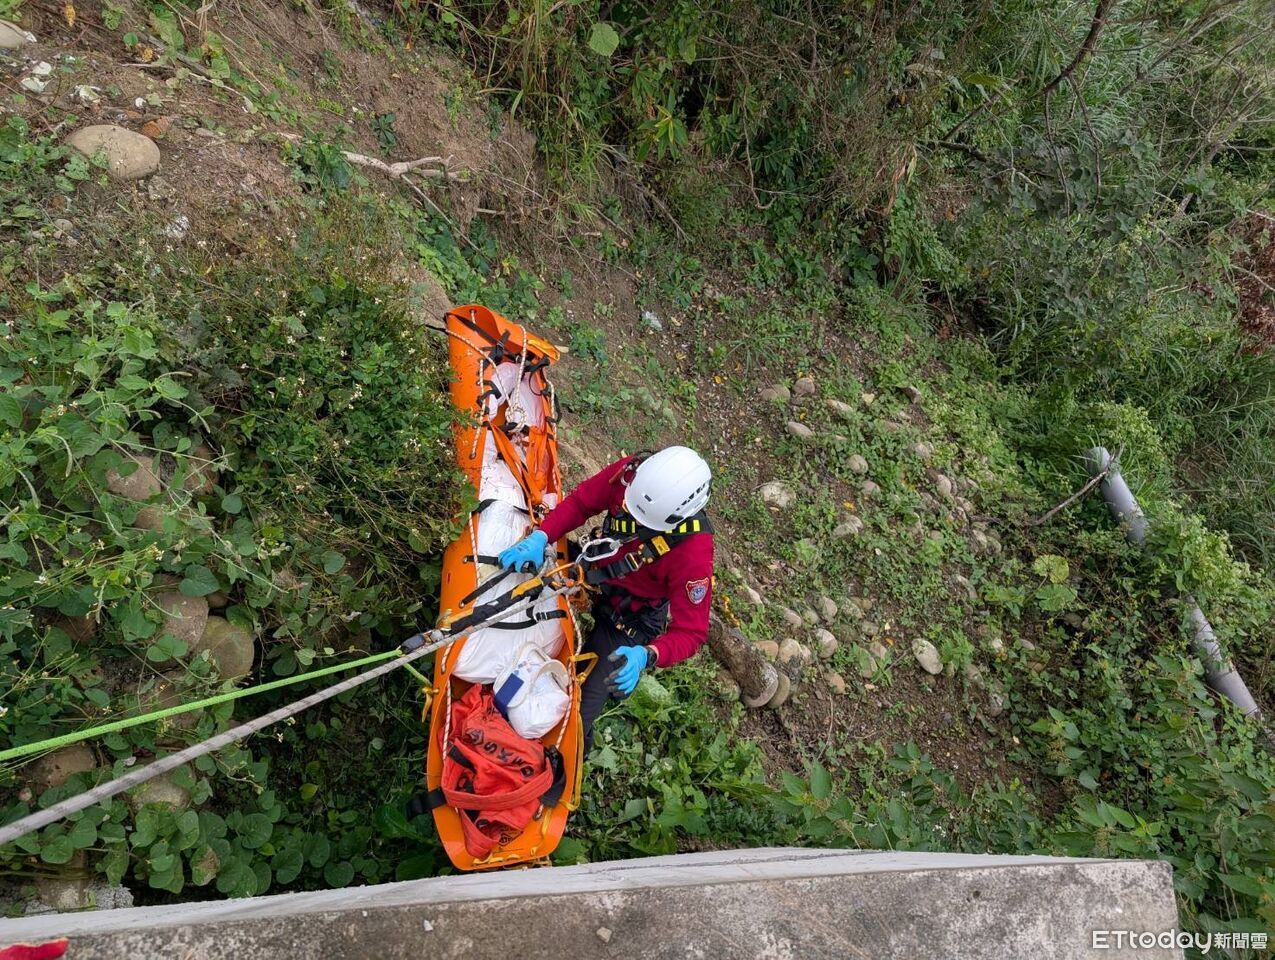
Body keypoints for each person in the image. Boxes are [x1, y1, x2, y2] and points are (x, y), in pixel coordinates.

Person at [497, 446, 715, 747]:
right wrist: (542, 535)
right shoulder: (630, 476)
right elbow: (582, 503)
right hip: (590, 569)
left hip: (628, 618)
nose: (628, 507)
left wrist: (648, 655)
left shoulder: (693, 554)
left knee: (572, 730)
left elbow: (691, 631)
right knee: (509, 577)